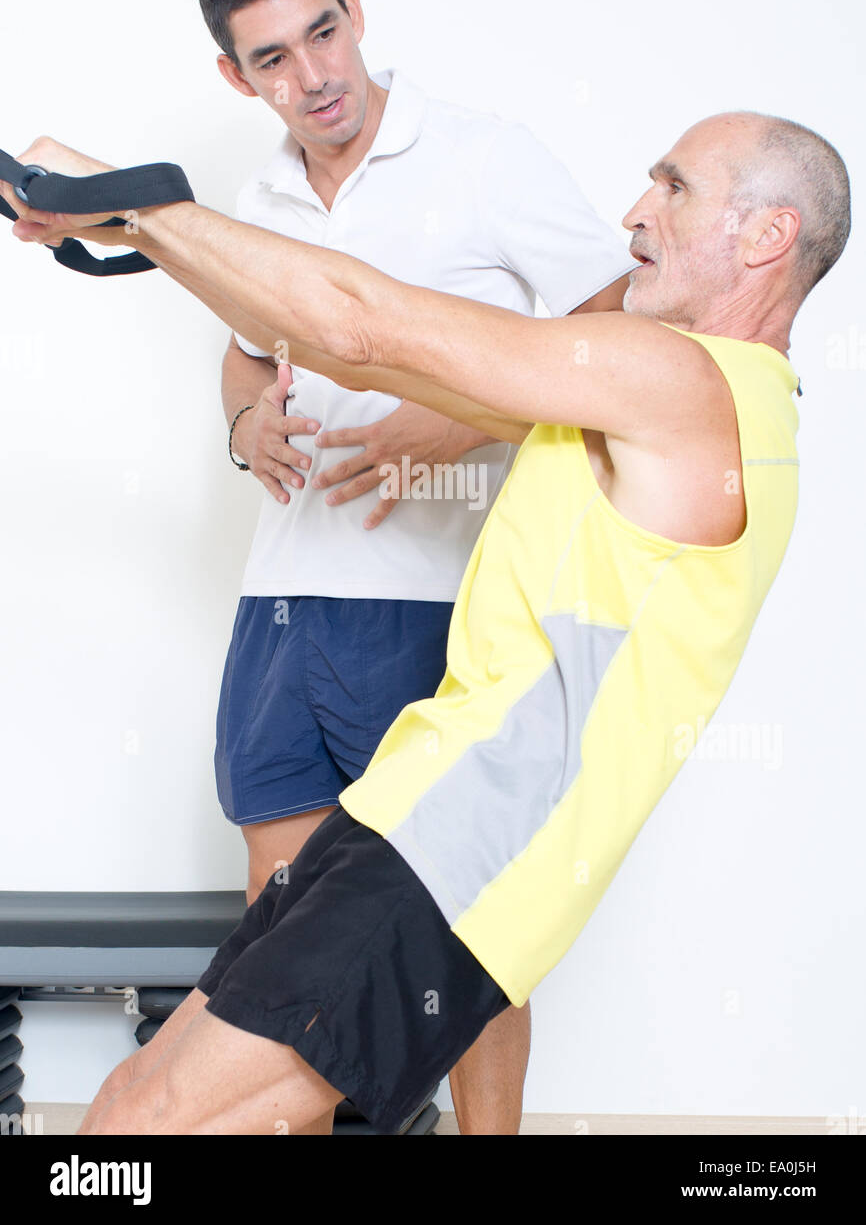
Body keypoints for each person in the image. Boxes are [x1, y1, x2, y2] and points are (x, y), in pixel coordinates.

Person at [3, 108, 849, 1136]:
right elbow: (349, 356)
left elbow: (363, 323)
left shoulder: (684, 387)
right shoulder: (655, 389)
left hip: (455, 857)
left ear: (764, 236)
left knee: (145, 1131)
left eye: (672, 187)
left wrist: (124, 191)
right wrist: (133, 228)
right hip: (407, 814)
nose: (634, 211)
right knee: (128, 1108)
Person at [192, 0, 635, 1132]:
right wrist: (244, 427)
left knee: (468, 928)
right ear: (235, 75)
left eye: (322, 32)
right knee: (281, 926)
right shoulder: (257, 199)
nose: (313, 73)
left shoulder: (485, 157)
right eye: (272, 56)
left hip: (440, 606)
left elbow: (619, 333)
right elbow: (238, 362)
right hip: (280, 605)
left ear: (356, 14)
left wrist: (468, 416)